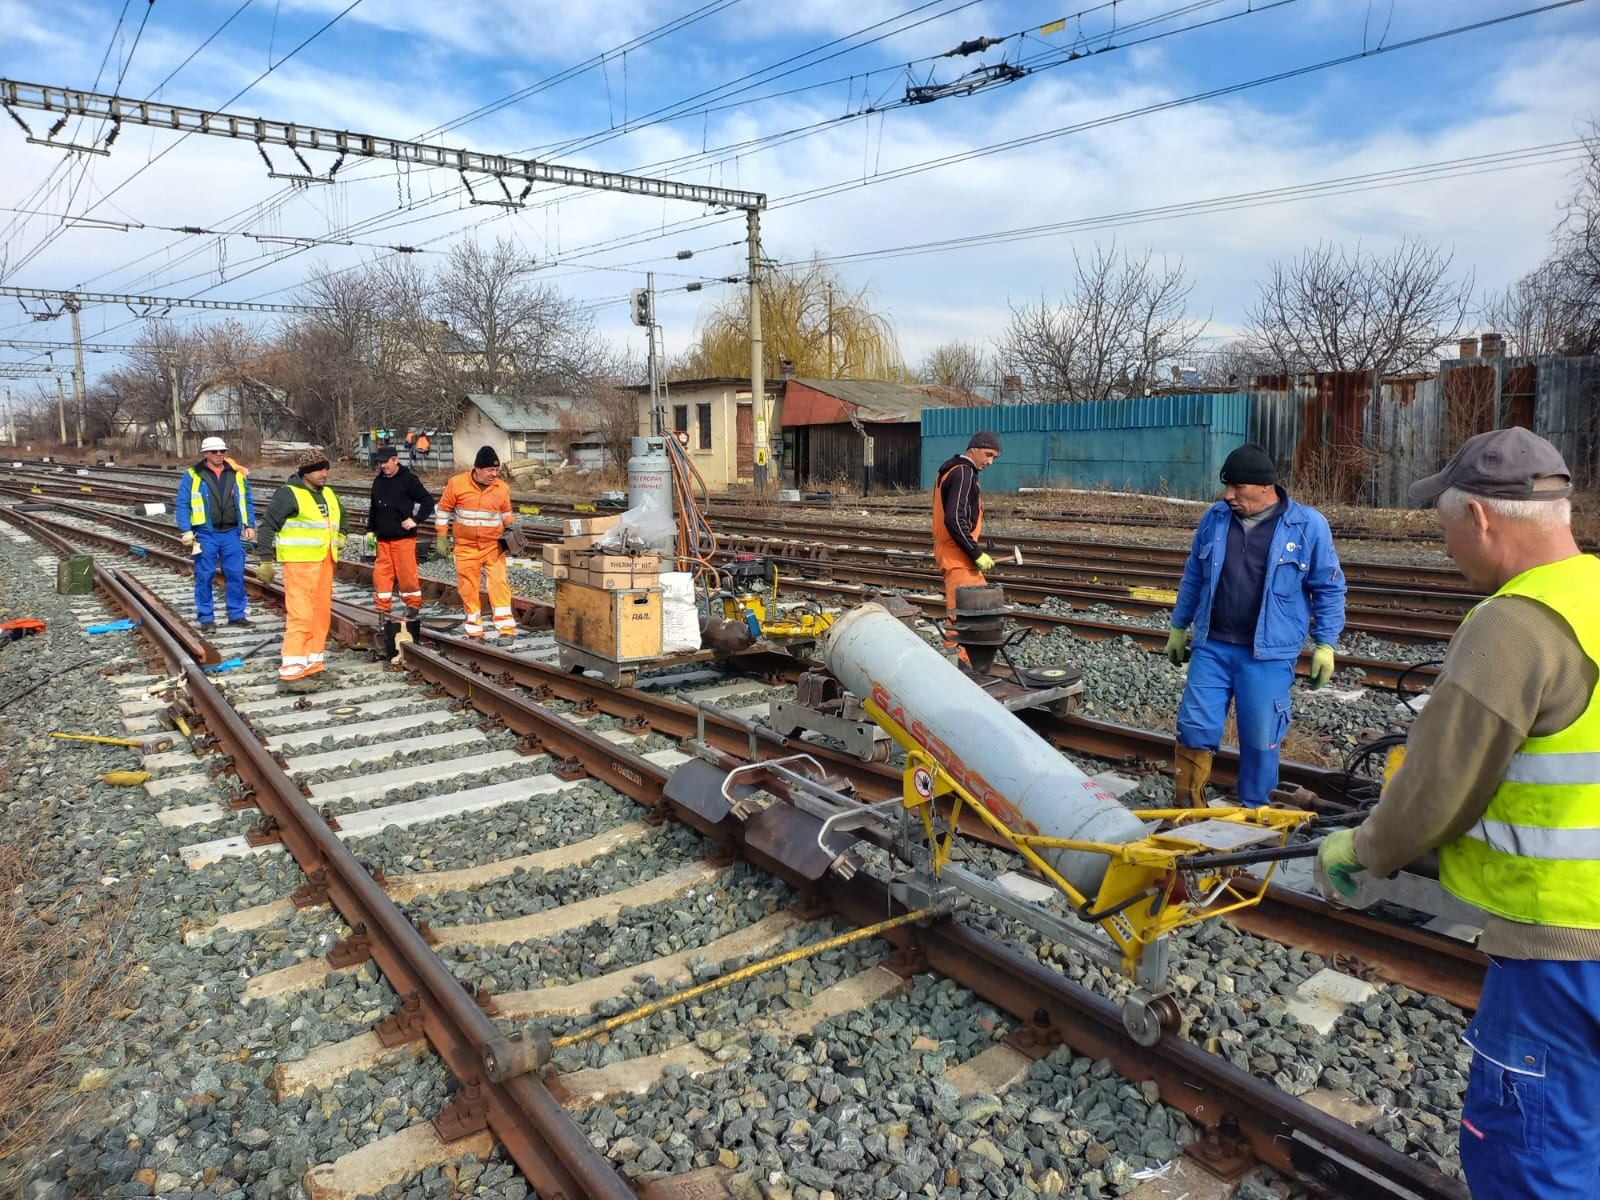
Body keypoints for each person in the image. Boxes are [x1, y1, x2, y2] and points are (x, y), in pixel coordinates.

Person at [1316, 427, 1598, 1199]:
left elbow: (1436, 789)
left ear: (1480, 520)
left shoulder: (1515, 625)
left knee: (1533, 1163)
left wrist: (1363, 851)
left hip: (1566, 951)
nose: (1445, 549)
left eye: (1443, 529)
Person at [1167, 443, 1346, 807]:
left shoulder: (1307, 525)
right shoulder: (1214, 519)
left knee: (1260, 736)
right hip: (1212, 647)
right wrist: (1178, 625)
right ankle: (1188, 809)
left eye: (1237, 488)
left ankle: (1255, 813)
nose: (1228, 495)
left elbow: (1328, 587)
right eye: (1226, 487)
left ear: (1265, 487)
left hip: (1266, 653)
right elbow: (1194, 577)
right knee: (1194, 729)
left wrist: (1326, 644)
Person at [254, 449, 347, 689]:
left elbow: (342, 516)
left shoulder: (327, 494)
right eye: (318, 469)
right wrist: (265, 560)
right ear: (305, 472)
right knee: (301, 616)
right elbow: (267, 527)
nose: (324, 473)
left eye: (326, 468)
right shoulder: (288, 494)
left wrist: (343, 534)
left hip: (324, 562)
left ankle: (313, 665)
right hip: (299, 565)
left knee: (320, 616)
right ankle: (291, 673)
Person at [932, 430, 1002, 664]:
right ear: (974, 448)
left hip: (957, 553)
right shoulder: (963, 472)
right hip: (957, 554)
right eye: (988, 454)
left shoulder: (953, 470)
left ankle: (967, 660)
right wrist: (976, 552)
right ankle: (960, 664)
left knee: (974, 610)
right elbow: (954, 519)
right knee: (967, 613)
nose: (990, 462)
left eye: (994, 458)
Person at [174, 436, 255, 632]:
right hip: (205, 533)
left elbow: (247, 500)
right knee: (205, 576)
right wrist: (186, 529)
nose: (219, 455)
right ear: (205, 454)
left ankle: (237, 615)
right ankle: (206, 618)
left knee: (236, 574)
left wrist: (249, 524)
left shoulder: (236, 473)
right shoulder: (193, 475)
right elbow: (183, 503)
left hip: (231, 533)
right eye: (214, 452)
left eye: (222, 451)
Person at [435, 445, 516, 638]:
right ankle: (474, 629)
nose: (494, 474)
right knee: (468, 587)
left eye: (496, 470)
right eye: (490, 470)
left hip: (493, 546)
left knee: (498, 584)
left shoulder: (502, 489)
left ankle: (506, 630)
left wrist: (513, 531)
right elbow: (443, 510)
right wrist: (441, 536)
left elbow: (506, 514)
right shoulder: (456, 484)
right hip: (465, 546)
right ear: (477, 469)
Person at [370, 445, 435, 619]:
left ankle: (413, 605)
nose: (383, 465)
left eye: (386, 462)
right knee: (381, 574)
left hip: (403, 538)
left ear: (396, 460)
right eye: (380, 463)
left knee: (406, 573)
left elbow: (428, 501)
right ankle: (382, 607)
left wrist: (415, 520)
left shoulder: (408, 480)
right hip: (383, 538)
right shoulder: (378, 481)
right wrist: (370, 529)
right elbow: (374, 507)